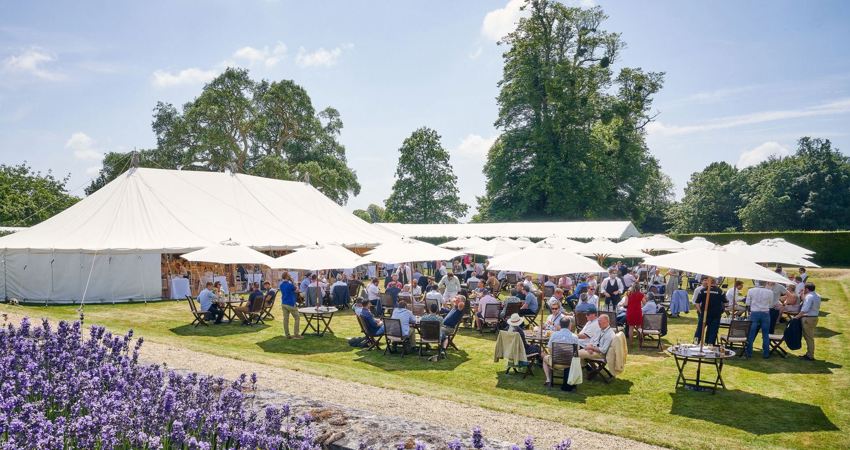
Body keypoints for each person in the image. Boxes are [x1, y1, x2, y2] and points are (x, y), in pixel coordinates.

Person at [744, 282, 778, 358]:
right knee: (765, 334)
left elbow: (747, 303)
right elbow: (771, 304)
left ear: (757, 283)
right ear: (766, 284)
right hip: (765, 313)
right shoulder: (770, 292)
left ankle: (749, 353)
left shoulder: (751, 290)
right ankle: (766, 353)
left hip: (754, 313)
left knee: (751, 334)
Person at [543, 317, 579, 386]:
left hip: (555, 362)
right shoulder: (575, 337)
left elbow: (549, 348)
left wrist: (553, 355)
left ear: (560, 325)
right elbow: (576, 351)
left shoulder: (554, 335)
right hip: (569, 364)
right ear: (570, 325)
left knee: (544, 359)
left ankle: (548, 379)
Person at [693, 277, 727, 345]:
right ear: (715, 283)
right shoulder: (720, 291)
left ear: (709, 282)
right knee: (712, 331)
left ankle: (695, 343)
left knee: (699, 330)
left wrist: (700, 311)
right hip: (716, 315)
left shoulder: (703, 290)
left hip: (705, 313)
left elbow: (697, 303)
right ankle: (709, 344)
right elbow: (725, 302)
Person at [795, 282, 821, 361]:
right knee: (809, 337)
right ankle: (809, 354)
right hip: (814, 317)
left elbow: (805, 309)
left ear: (807, 289)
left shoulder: (809, 296)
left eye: (804, 289)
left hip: (808, 318)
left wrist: (797, 316)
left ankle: (810, 355)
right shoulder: (817, 295)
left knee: (809, 338)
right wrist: (803, 294)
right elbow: (805, 301)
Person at [278, 272, 301, 339]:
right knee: (297, 318)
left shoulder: (281, 285)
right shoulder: (290, 285)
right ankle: (296, 334)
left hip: (284, 303)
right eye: (289, 275)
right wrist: (293, 281)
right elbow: (297, 290)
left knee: (286, 320)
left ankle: (287, 335)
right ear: (287, 277)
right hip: (290, 303)